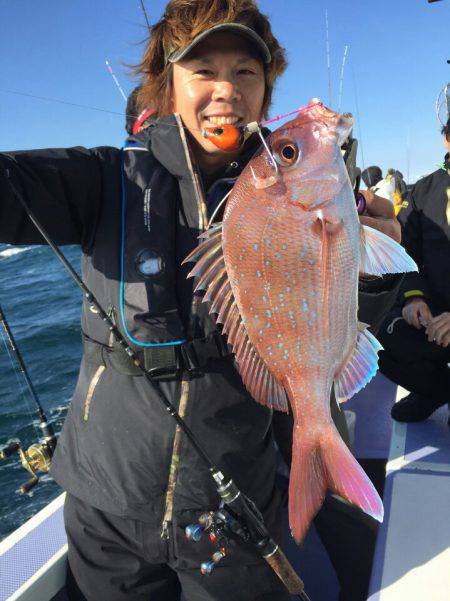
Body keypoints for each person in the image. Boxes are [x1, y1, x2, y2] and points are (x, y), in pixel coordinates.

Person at [0, 2, 402, 599]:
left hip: (232, 504)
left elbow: (351, 306)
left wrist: (373, 266)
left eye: (246, 73)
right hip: (105, 509)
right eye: (202, 70)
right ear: (167, 86)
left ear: (266, 93)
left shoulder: (285, 182)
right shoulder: (102, 181)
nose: (226, 91)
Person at [378, 117, 450, 422]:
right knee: (377, 338)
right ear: (447, 138)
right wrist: (413, 299)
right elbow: (403, 250)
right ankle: (437, 391)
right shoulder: (422, 191)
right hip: (433, 316)